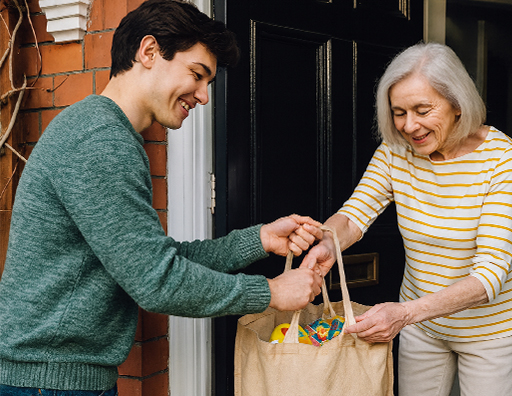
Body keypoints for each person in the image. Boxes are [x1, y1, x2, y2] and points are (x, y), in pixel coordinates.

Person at [0, 0, 324, 394]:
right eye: (197, 74)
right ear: (149, 51)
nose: (204, 96)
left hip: (57, 379)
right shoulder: (101, 140)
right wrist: (271, 293)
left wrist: (256, 241)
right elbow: (158, 281)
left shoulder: (104, 131)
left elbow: (151, 260)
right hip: (50, 384)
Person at [302, 42, 512, 396]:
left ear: (457, 104)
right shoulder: (395, 152)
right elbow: (354, 214)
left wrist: (406, 313)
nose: (409, 126)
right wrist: (329, 241)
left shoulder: (502, 158)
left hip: (491, 330)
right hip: (422, 327)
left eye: (422, 110)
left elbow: (491, 273)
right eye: (399, 112)